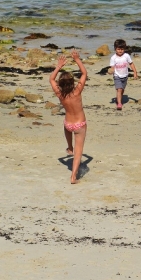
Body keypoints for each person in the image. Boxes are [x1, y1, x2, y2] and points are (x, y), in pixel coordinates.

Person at [49, 50, 88, 184]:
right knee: (79, 153)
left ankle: (69, 147)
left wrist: (59, 66)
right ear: (72, 82)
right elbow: (84, 73)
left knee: (67, 126)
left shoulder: (60, 94)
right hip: (79, 125)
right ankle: (73, 177)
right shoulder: (77, 91)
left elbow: (51, 79)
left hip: (68, 124)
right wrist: (77, 59)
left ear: (60, 83)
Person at [109, 39, 138, 110]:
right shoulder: (113, 58)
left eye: (122, 49)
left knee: (122, 90)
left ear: (124, 49)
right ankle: (119, 103)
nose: (120, 51)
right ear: (115, 49)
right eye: (118, 49)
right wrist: (110, 71)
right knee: (119, 89)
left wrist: (135, 72)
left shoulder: (126, 56)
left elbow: (131, 63)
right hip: (117, 76)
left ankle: (118, 99)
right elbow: (112, 67)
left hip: (125, 76)